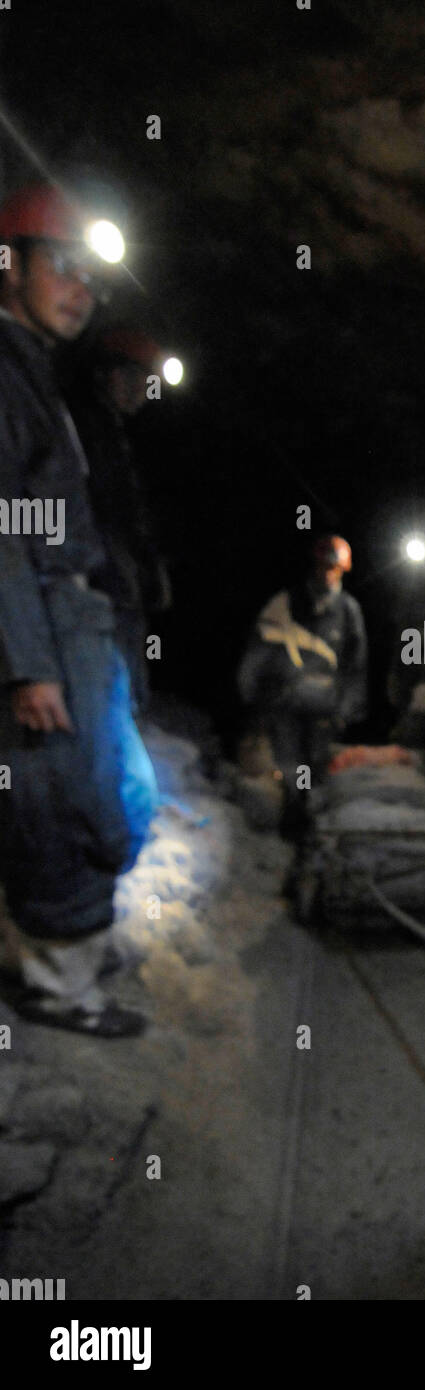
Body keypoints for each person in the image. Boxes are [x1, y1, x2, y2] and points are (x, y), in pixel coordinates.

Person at [0, 182, 157, 1037]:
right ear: (8, 265)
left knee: (112, 794)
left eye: (91, 276)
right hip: (45, 624)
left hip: (74, 620)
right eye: (61, 265)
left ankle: (74, 948)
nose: (81, 288)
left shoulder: (37, 379)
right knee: (58, 801)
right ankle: (60, 984)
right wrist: (29, 663)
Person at [67, 325, 171, 713]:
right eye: (142, 380)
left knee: (123, 697)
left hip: (117, 585)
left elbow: (128, 515)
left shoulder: (113, 432)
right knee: (110, 701)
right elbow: (99, 513)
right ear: (114, 375)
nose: (147, 393)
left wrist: (146, 569)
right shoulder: (85, 426)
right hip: (100, 587)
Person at [237, 534, 368, 835]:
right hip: (287, 701)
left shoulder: (348, 611)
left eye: (334, 569)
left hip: (324, 704)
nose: (328, 574)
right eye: (324, 567)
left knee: (314, 768)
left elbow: (356, 663)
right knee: (290, 765)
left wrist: (349, 707)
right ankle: (292, 819)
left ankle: (309, 822)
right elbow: (261, 647)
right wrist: (250, 690)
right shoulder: (287, 603)